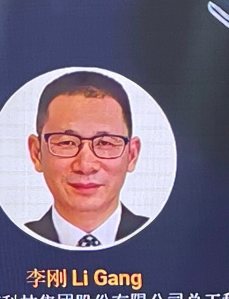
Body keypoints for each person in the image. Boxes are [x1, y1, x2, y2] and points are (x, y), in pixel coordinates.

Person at [25, 71, 148, 247]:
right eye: (67, 142)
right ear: (36, 153)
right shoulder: (4, 243)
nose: (85, 166)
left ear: (132, 155)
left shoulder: (170, 241)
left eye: (105, 143)